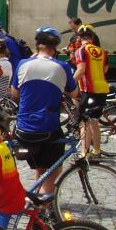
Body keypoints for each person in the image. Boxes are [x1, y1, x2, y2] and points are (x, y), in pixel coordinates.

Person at [12, 26, 79, 194]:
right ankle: (43, 206)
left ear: (37, 45)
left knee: (42, 168)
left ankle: (36, 200)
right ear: (55, 48)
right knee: (54, 170)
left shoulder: (23, 64)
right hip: (47, 128)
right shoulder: (61, 66)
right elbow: (74, 93)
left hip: (23, 129)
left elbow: (15, 94)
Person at [73, 25, 109, 157]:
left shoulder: (81, 50)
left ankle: (84, 152)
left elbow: (81, 69)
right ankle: (97, 150)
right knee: (95, 121)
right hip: (102, 88)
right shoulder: (102, 51)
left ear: (79, 38)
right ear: (92, 38)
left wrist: (69, 83)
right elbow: (105, 70)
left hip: (88, 90)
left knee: (84, 122)